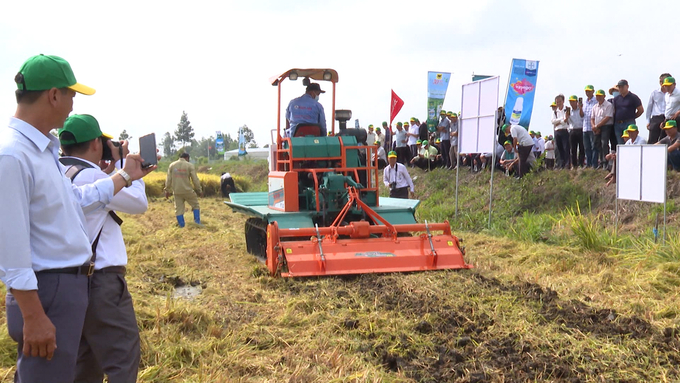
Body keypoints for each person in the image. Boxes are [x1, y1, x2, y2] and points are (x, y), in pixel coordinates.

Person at [0, 54, 153, 383]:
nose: (72, 104)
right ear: (53, 95)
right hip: (47, 291)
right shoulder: (13, 156)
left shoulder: (43, 153)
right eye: (70, 95)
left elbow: (76, 199)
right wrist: (33, 315)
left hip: (66, 287)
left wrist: (125, 176)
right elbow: (9, 246)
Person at [58, 114, 147, 383]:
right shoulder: (92, 177)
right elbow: (139, 202)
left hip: (66, 283)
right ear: (97, 143)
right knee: (122, 358)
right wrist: (124, 163)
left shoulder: (59, 173)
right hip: (101, 283)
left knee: (85, 360)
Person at [165, 152, 203, 227]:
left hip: (176, 191)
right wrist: (199, 190)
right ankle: (197, 223)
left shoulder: (172, 165)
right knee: (195, 205)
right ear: (187, 158)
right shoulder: (189, 165)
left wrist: (167, 190)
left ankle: (181, 225)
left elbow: (168, 179)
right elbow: (195, 179)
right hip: (188, 191)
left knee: (178, 209)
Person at [611, 79, 644, 145]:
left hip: (629, 123)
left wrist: (632, 117)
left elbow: (640, 110)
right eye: (619, 87)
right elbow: (614, 111)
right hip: (618, 124)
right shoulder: (616, 99)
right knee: (620, 143)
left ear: (627, 86)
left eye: (622, 87)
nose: (621, 89)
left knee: (630, 142)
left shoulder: (633, 97)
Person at [591, 89, 614, 169]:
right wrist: (594, 126)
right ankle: (601, 162)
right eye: (597, 96)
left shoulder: (608, 105)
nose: (599, 98)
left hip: (606, 126)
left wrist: (597, 126)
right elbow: (592, 118)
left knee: (604, 143)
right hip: (597, 127)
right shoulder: (595, 106)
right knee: (598, 144)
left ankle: (606, 162)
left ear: (604, 96)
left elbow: (607, 117)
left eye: (600, 96)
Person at [647, 73, 672, 144]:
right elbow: (649, 108)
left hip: (667, 118)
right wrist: (648, 121)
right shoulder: (654, 93)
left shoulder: (672, 94)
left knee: (665, 139)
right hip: (656, 117)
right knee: (652, 139)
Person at [551, 94, 571, 169]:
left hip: (564, 130)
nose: (558, 103)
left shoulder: (567, 109)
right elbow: (553, 121)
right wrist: (561, 119)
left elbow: (566, 120)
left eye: (559, 101)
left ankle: (567, 164)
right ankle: (561, 164)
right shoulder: (555, 111)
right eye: (557, 102)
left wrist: (559, 121)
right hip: (557, 131)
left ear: (563, 101)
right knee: (559, 148)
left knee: (566, 147)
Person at [583, 85, 599, 168]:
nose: (587, 93)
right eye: (586, 91)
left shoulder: (596, 101)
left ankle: (594, 164)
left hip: (593, 127)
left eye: (589, 91)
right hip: (585, 127)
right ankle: (588, 164)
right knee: (587, 147)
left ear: (593, 91)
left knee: (594, 146)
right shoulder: (584, 102)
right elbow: (582, 115)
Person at [568, 95, 585, 168]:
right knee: (573, 149)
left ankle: (581, 163)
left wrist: (580, 108)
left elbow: (582, 116)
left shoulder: (581, 109)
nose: (572, 103)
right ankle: (574, 164)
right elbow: (568, 122)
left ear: (577, 102)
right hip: (572, 130)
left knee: (582, 148)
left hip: (581, 129)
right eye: (570, 102)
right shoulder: (569, 111)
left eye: (573, 101)